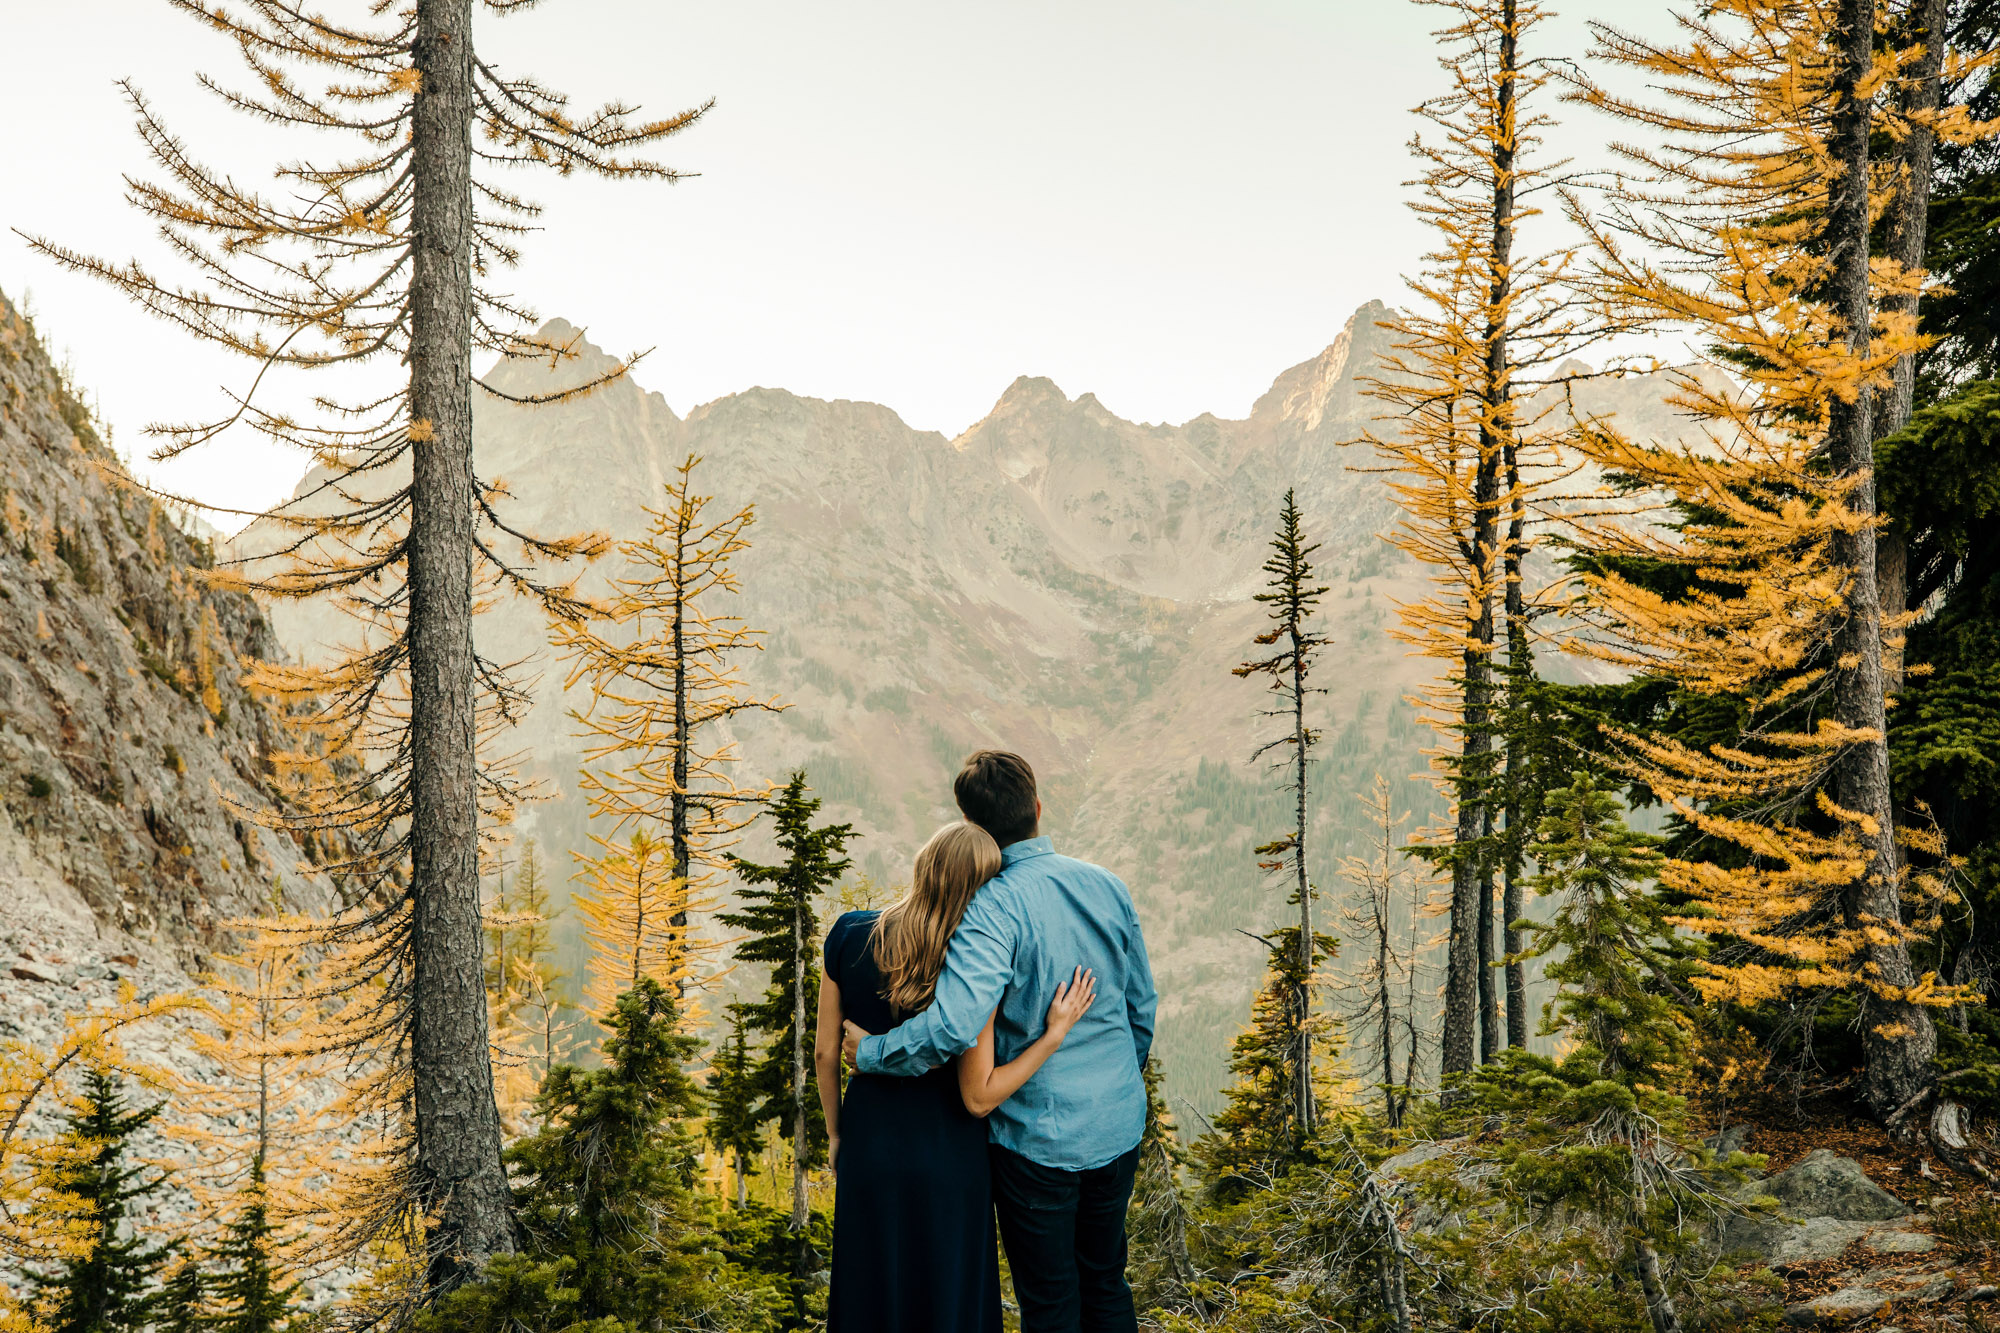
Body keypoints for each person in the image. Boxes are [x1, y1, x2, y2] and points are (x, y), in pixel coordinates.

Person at [843, 750, 1158, 1333]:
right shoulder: (1107, 885)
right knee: (1108, 1282)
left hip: (1038, 1143)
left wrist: (870, 1053)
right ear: (1038, 807)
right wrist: (1119, 1083)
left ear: (973, 827)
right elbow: (1141, 1006)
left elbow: (954, 1026)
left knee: (1052, 1301)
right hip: (1117, 1125)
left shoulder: (990, 908)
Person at [814, 820, 1098, 1333]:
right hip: (952, 1153)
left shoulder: (847, 934)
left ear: (924, 864)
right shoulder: (972, 966)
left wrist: (836, 1133)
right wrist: (1052, 1036)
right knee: (949, 1295)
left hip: (870, 1140)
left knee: (869, 1287)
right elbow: (981, 1090)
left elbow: (824, 1054)